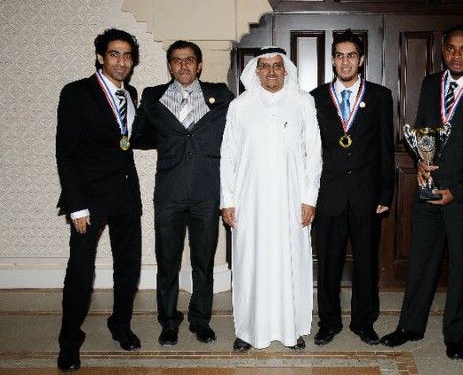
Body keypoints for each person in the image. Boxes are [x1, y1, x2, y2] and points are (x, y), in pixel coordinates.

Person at [380, 25, 463, 360]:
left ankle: (454, 335)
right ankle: (410, 326)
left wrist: (458, 190)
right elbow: (422, 132)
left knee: (462, 267)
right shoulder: (431, 83)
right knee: (421, 261)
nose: (456, 55)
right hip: (428, 191)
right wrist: (419, 163)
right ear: (443, 51)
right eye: (450, 48)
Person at [132, 41, 234, 346]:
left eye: (189, 60)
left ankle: (200, 321)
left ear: (199, 65)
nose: (183, 66)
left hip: (206, 192)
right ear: (170, 66)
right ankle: (168, 322)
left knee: (203, 262)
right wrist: (170, 141)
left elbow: (237, 132)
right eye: (177, 61)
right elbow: (139, 137)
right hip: (169, 193)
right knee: (167, 262)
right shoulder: (153, 97)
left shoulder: (220, 95)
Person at [220, 47, 322, 351]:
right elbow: (228, 156)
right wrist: (228, 200)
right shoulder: (240, 106)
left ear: (285, 70)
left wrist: (310, 198)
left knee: (291, 262)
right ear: (256, 71)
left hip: (292, 201)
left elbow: (314, 153)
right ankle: (247, 330)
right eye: (265, 66)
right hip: (249, 202)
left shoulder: (303, 102)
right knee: (250, 263)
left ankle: (292, 329)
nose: (271, 71)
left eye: (277, 66)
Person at [55, 28, 143, 372]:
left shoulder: (130, 93)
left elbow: (127, 141)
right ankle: (69, 342)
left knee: (128, 267)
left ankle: (120, 325)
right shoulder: (76, 93)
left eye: (127, 55)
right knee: (80, 271)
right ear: (100, 57)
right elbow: (66, 154)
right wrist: (76, 205)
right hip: (88, 199)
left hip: (125, 194)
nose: (121, 61)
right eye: (114, 54)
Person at [310, 30, 394, 346]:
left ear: (361, 60)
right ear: (333, 60)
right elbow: (308, 151)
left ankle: (363, 322)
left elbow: (385, 147)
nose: (345, 62)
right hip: (328, 195)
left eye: (351, 55)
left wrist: (385, 192)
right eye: (340, 55)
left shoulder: (380, 96)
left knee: (366, 263)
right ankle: (329, 322)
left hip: (366, 195)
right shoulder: (316, 98)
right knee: (328, 264)